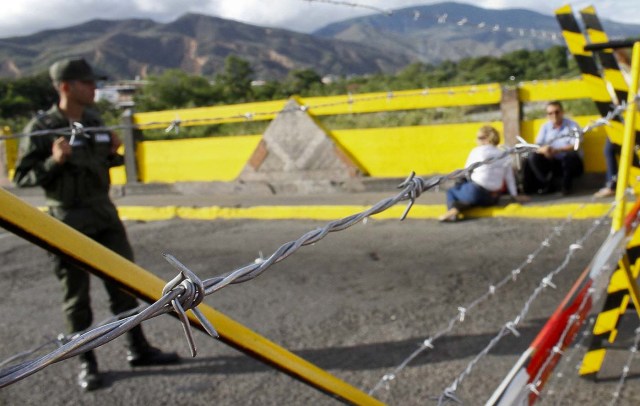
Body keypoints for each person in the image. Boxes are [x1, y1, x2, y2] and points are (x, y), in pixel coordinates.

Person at [13, 57, 179, 391]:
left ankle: (139, 349)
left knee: (126, 286)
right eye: (87, 83)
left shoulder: (93, 120)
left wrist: (115, 153)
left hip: (104, 214)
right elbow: (22, 177)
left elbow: (101, 162)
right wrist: (53, 161)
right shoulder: (43, 127)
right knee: (77, 299)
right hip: (67, 221)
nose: (94, 89)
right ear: (66, 87)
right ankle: (86, 363)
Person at [439, 125, 529, 222]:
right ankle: (457, 209)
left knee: (452, 191)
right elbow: (509, 178)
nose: (476, 141)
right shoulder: (504, 154)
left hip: (477, 192)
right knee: (469, 196)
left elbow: (465, 172)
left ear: (486, 139)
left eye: (478, 138)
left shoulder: (477, 151)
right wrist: (514, 195)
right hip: (494, 197)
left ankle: (452, 213)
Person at [523, 101, 584, 195]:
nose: (554, 115)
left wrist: (558, 150)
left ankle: (566, 187)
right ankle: (546, 184)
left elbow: (575, 145)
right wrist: (545, 150)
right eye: (550, 113)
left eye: (557, 112)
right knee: (532, 157)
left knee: (570, 156)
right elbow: (537, 145)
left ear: (562, 112)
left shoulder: (572, 125)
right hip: (552, 161)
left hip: (570, 162)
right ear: (547, 115)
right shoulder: (545, 127)